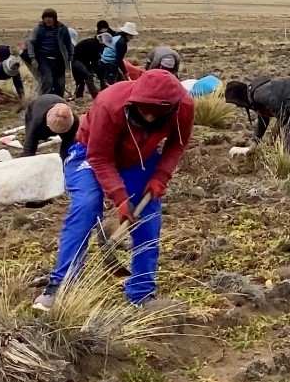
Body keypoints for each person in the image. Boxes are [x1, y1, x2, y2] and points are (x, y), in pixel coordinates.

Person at [34, 69, 194, 309]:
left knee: (148, 215)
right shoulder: (110, 103)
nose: (150, 118)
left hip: (139, 158)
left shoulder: (184, 106)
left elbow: (177, 144)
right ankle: (61, 285)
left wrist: (161, 176)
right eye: (145, 111)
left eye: (157, 114)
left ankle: (142, 293)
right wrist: (120, 198)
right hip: (89, 153)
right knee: (87, 205)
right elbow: (99, 157)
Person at [224, 75, 290, 155]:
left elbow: (283, 114)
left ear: (240, 98)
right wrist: (256, 141)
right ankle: (285, 156)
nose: (237, 105)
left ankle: (287, 159)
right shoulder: (255, 95)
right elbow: (263, 120)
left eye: (236, 102)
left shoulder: (260, 95)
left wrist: (273, 134)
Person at [26, 9, 74, 97]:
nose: (48, 19)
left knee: (60, 84)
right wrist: (32, 58)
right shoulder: (39, 28)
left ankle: (58, 101)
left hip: (59, 59)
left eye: (50, 17)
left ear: (54, 18)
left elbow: (68, 43)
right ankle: (45, 101)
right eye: (45, 17)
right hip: (43, 58)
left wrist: (71, 56)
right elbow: (31, 42)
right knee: (47, 82)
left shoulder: (62, 29)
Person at [22, 94, 79, 160]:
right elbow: (29, 147)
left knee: (68, 146)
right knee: (33, 139)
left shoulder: (74, 121)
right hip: (36, 109)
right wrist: (28, 161)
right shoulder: (38, 122)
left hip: (53, 116)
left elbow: (68, 145)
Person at [71, 24, 110, 100]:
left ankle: (79, 96)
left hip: (80, 61)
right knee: (88, 76)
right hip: (76, 61)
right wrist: (101, 77)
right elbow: (94, 63)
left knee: (82, 80)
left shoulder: (94, 42)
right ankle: (95, 96)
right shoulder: (95, 46)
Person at [98, 21, 138, 87]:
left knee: (120, 82)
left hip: (104, 62)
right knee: (110, 86)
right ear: (128, 34)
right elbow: (119, 60)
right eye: (132, 36)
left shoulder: (117, 36)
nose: (132, 38)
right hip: (109, 64)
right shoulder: (121, 43)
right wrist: (125, 72)